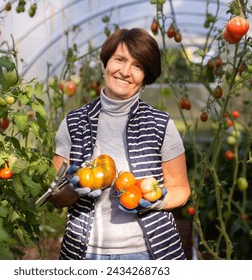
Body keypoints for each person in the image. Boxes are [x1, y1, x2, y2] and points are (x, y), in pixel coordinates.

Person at [49, 28, 191, 260]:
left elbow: (182, 189)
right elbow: (55, 196)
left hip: (151, 253)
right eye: (120, 59)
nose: (125, 72)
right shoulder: (74, 123)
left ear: (146, 76)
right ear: (106, 63)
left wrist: (155, 199)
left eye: (138, 66)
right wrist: (73, 188)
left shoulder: (160, 124)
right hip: (85, 254)